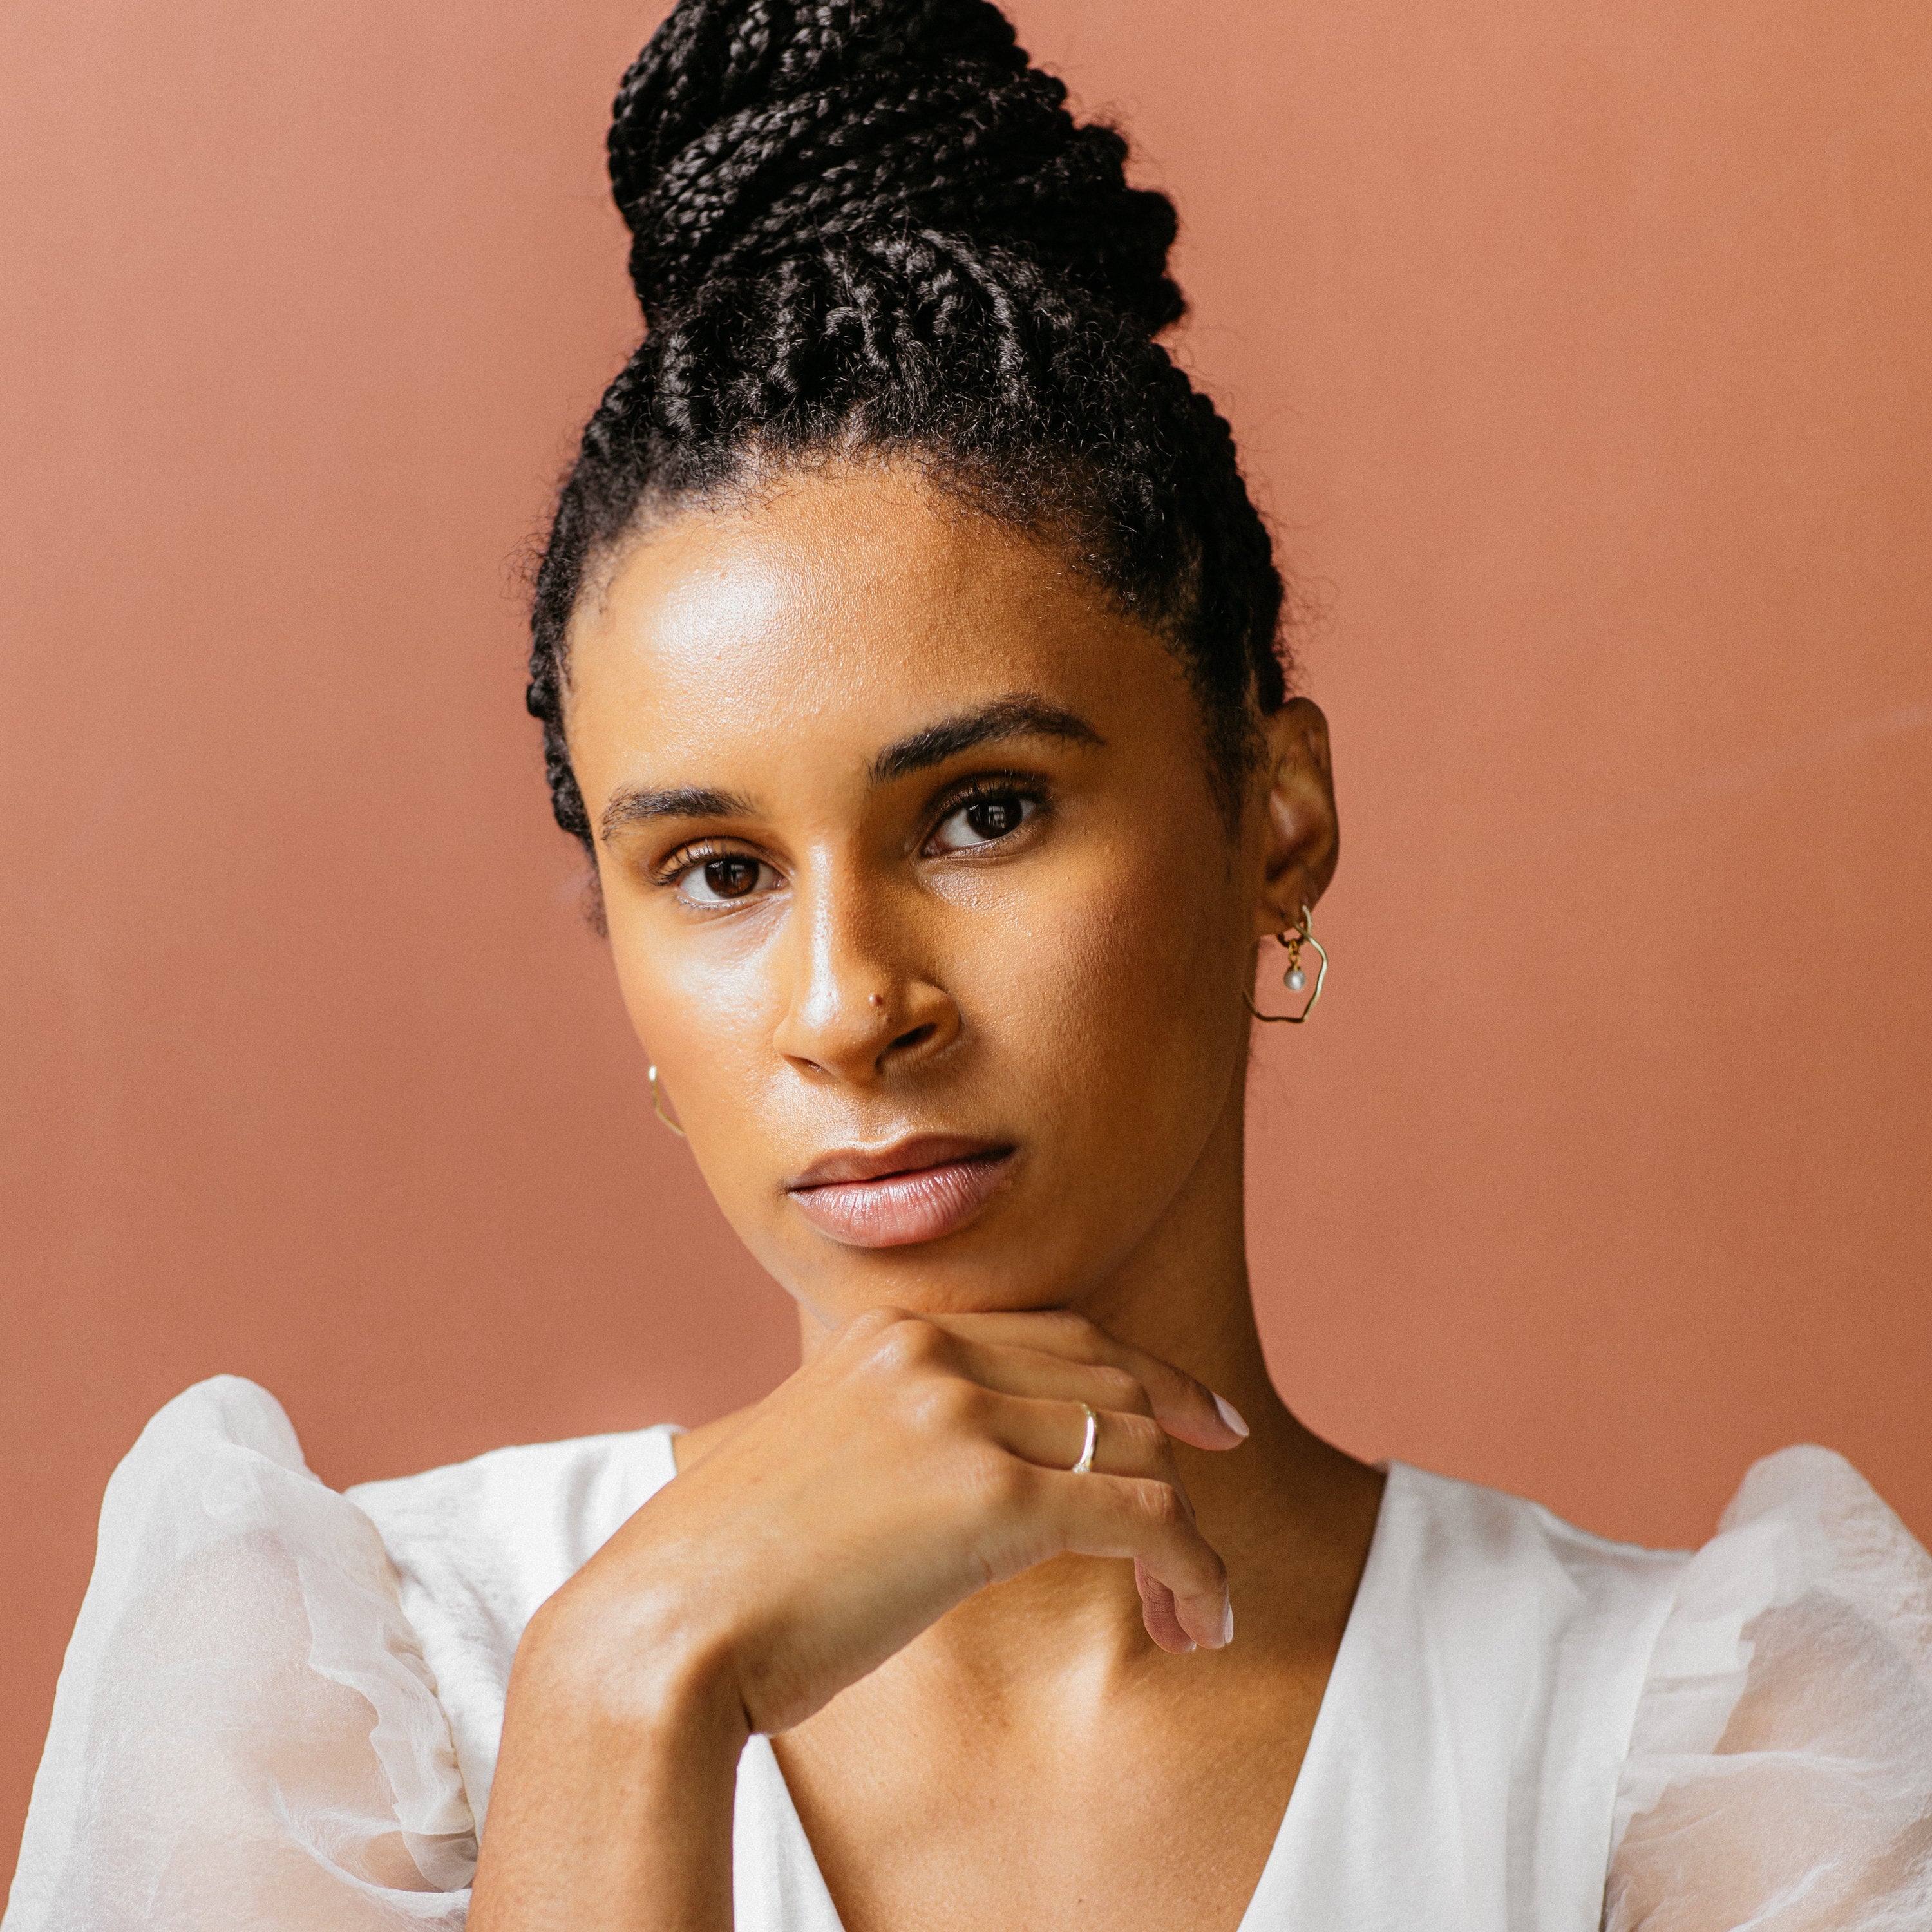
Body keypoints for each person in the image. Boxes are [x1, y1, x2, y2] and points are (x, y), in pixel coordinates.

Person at [8, 2, 1930, 1927]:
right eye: (717, 870)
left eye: (982, 814)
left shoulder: (1711, 1762)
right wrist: (624, 1695)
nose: (852, 1006)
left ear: (1276, 816)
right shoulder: (359, 1709)